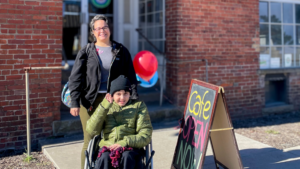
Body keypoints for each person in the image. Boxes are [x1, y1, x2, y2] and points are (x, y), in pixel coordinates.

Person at [68, 15, 138, 169]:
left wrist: (133, 99)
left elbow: (131, 77)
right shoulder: (86, 51)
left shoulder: (121, 50)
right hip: (90, 102)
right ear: (93, 32)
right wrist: (74, 102)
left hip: (114, 101)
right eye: (98, 28)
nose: (102, 30)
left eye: (104, 27)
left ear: (109, 29)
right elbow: (75, 79)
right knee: (90, 139)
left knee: (110, 137)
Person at [86, 75, 153, 169]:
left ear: (130, 94)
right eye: (118, 94)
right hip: (108, 147)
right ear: (112, 94)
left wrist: (124, 142)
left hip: (130, 147)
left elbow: (145, 134)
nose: (122, 98)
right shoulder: (106, 107)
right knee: (105, 157)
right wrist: (104, 107)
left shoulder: (139, 106)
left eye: (125, 93)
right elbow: (91, 130)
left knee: (127, 156)